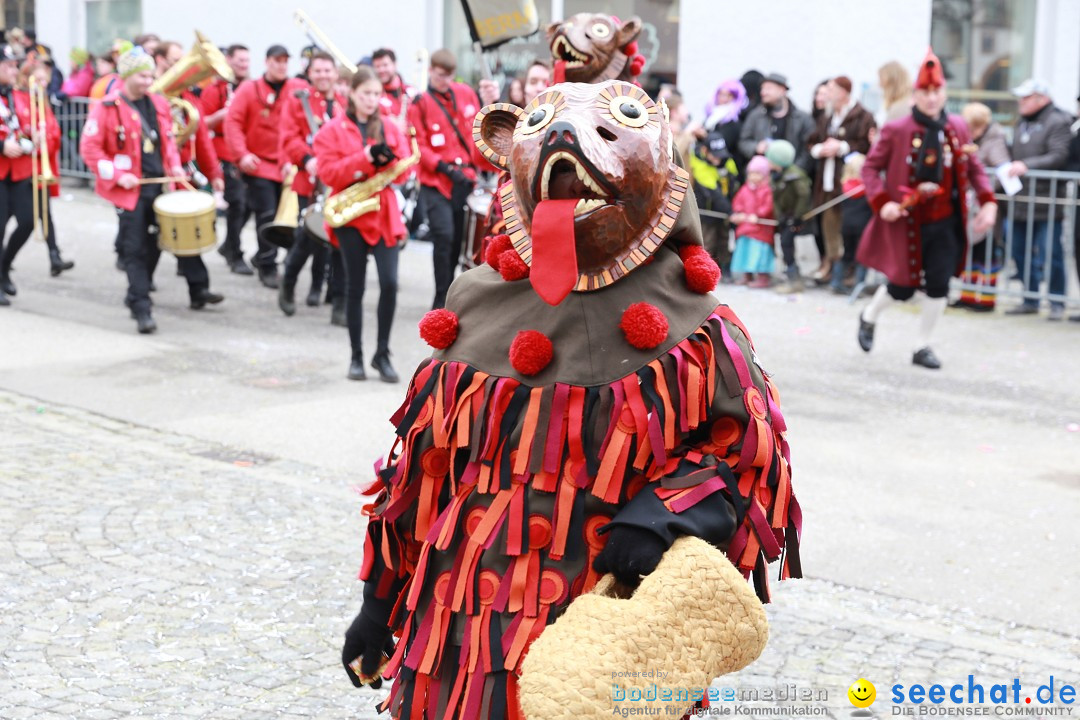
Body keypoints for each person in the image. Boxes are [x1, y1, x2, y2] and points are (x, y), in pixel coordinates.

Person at [341, 79, 799, 717]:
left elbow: (744, 456)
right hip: (462, 619)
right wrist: (378, 599)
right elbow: (422, 467)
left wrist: (666, 513)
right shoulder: (476, 301)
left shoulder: (696, 328)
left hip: (602, 616)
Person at [856, 48, 997, 370]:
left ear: (945, 92)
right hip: (908, 221)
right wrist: (883, 203)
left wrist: (988, 202)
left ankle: (922, 346)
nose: (932, 99)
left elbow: (973, 166)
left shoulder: (958, 127)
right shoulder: (897, 129)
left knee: (939, 284)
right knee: (902, 287)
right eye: (925, 92)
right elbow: (870, 170)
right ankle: (868, 316)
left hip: (946, 220)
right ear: (915, 94)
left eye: (937, 92)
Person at [80, 47, 224, 333]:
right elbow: (90, 149)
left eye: (150, 75)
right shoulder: (107, 107)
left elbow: (168, 143)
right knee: (134, 248)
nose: (149, 81)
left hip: (159, 185)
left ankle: (139, 293)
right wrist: (119, 176)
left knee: (160, 241)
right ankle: (142, 308)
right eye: (143, 76)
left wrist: (175, 170)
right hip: (129, 190)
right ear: (128, 76)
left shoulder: (158, 103)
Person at [314, 66, 410, 382]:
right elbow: (328, 174)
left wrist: (389, 160)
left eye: (376, 94)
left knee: (390, 283)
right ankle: (355, 355)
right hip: (350, 214)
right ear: (351, 93)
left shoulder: (389, 126)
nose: (372, 100)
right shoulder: (331, 130)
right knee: (354, 286)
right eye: (366, 93)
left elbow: (406, 171)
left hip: (383, 212)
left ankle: (382, 353)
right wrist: (365, 158)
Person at [407, 48, 493, 309]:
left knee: (459, 240)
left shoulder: (465, 93)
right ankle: (440, 296)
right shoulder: (420, 103)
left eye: (448, 76)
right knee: (443, 236)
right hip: (437, 181)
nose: (443, 80)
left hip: (466, 179)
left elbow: (481, 128)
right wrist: (444, 168)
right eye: (439, 75)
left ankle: (453, 295)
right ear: (431, 70)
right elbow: (418, 144)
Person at [225, 43, 299, 289]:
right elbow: (233, 121)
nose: (281, 65)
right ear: (267, 62)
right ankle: (268, 264)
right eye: (276, 61)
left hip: (287, 165)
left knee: (286, 218)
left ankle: (262, 256)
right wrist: (242, 154)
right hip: (259, 164)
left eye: (285, 61)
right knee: (266, 214)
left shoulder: (296, 89)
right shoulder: (249, 89)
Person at [279, 51, 344, 316]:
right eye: (318, 71)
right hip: (311, 182)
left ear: (335, 73)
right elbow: (289, 137)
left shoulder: (344, 103)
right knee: (306, 239)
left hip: (339, 183)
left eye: (327, 70)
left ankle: (339, 302)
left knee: (340, 242)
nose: (323, 76)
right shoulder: (298, 102)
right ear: (310, 73)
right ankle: (288, 283)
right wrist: (306, 159)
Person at [1001, 79, 1073, 321]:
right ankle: (1029, 298)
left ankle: (1057, 301)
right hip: (1020, 199)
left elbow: (1058, 155)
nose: (1021, 102)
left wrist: (1026, 166)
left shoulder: (1058, 121)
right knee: (1019, 251)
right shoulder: (1023, 122)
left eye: (1026, 98)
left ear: (1042, 99)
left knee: (1051, 252)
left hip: (1047, 201)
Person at [0, 46, 62, 304]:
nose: (15, 70)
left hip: (22, 169)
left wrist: (33, 136)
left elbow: (33, 124)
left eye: (15, 66)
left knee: (28, 221)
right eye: (9, 66)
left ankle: (4, 267)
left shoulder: (20, 96)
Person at [807, 76, 876, 285]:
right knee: (829, 225)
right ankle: (834, 267)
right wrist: (821, 149)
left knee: (850, 227)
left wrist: (842, 147)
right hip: (827, 179)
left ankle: (850, 271)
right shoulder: (827, 116)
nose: (827, 93)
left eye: (831, 89)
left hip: (850, 184)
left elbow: (868, 146)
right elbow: (811, 141)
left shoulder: (863, 116)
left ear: (844, 92)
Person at [199, 43, 252, 275]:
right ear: (228, 61)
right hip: (224, 151)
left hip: (249, 152)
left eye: (246, 61)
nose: (243, 65)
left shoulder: (252, 88)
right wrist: (222, 115)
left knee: (250, 204)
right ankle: (235, 253)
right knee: (237, 203)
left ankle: (230, 244)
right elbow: (202, 123)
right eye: (239, 60)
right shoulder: (215, 90)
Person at [956, 102, 1010, 311]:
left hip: (987, 205)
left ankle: (987, 300)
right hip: (971, 206)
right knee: (970, 251)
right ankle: (967, 295)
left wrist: (981, 187)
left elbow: (1001, 169)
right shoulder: (971, 140)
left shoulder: (995, 140)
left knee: (987, 253)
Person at [738, 72, 815, 176]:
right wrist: (756, 147)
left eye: (768, 88)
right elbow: (743, 142)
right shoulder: (755, 116)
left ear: (782, 90)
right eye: (762, 89)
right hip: (763, 178)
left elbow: (808, 149)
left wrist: (794, 172)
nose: (763, 93)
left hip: (792, 179)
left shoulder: (802, 118)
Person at [767, 140, 812, 294]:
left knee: (786, 244)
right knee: (785, 244)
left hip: (794, 217)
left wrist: (797, 217)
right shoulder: (777, 176)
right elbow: (778, 199)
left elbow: (803, 196)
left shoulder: (795, 176)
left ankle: (795, 280)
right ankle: (792, 277)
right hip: (785, 217)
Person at [729, 154, 775, 287]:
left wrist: (758, 215)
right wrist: (738, 213)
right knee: (745, 250)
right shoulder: (745, 189)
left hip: (761, 229)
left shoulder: (767, 190)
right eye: (751, 173)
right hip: (746, 227)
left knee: (760, 253)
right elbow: (737, 202)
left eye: (757, 173)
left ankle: (763, 277)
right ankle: (747, 275)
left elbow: (768, 206)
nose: (754, 176)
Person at [834, 152, 872, 295]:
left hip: (846, 226)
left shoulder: (844, 187)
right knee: (862, 257)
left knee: (847, 254)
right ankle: (858, 286)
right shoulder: (866, 188)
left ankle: (836, 281)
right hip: (863, 228)